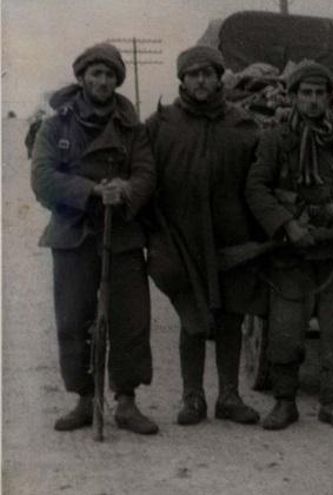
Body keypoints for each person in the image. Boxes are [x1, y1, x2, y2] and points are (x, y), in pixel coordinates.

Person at [246, 61, 333, 431]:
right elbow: (256, 188)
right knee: (286, 329)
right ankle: (285, 401)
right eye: (305, 93)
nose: (313, 101)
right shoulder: (276, 139)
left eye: (320, 93)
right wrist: (286, 225)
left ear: (331, 97)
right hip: (292, 252)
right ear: (292, 96)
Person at [30, 43, 158, 435]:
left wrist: (125, 188)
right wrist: (90, 190)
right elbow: (43, 177)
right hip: (73, 235)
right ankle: (84, 399)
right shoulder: (57, 125)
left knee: (131, 319)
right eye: (96, 74)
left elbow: (147, 173)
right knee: (73, 319)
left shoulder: (131, 128)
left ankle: (127, 401)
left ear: (117, 81)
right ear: (83, 77)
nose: (102, 81)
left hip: (120, 235)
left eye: (109, 75)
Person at [145, 45, 264, 426]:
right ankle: (192, 397)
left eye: (207, 73)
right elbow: (144, 176)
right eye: (193, 74)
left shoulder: (243, 126)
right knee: (192, 316)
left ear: (219, 78)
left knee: (231, 315)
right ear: (182, 79)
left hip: (232, 237)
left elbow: (259, 182)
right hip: (181, 237)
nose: (200, 80)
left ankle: (228, 396)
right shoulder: (161, 124)